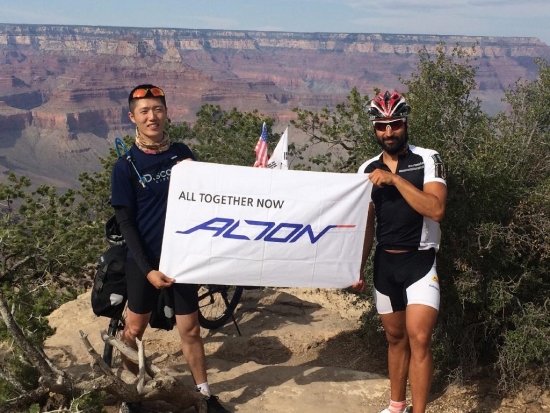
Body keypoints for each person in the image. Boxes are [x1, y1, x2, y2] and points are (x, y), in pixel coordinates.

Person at [110, 84, 230, 413]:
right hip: (144, 260)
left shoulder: (181, 153)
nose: (152, 117)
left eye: (158, 109)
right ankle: (132, 393)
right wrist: (147, 269)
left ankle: (204, 394)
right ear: (132, 117)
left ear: (167, 113)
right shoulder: (126, 167)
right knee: (133, 329)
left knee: (190, 328)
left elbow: (211, 193)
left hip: (182, 257)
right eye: (144, 111)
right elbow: (126, 224)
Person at [352, 91, 447, 413]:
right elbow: (365, 224)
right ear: (374, 128)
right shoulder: (367, 167)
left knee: (419, 338)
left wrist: (394, 180)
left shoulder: (428, 159)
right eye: (381, 126)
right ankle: (397, 406)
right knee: (394, 338)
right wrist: (357, 266)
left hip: (419, 259)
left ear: (405, 124)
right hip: (384, 263)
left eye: (394, 124)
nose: (388, 132)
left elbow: (435, 209)